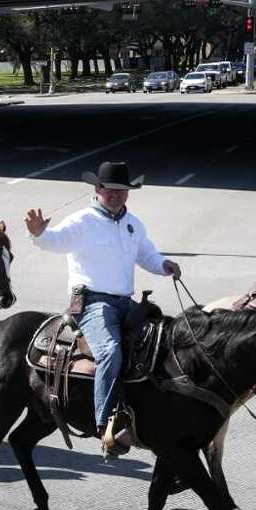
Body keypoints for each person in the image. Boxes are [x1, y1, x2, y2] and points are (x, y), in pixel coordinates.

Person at [26, 160, 182, 457]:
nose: (116, 195)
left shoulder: (133, 223)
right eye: (110, 190)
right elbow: (54, 241)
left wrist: (164, 265)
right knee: (110, 350)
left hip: (124, 302)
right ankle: (105, 423)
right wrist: (39, 234)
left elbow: (146, 254)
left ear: (128, 192)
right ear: (97, 189)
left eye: (121, 190)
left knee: (162, 340)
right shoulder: (82, 221)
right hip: (90, 302)